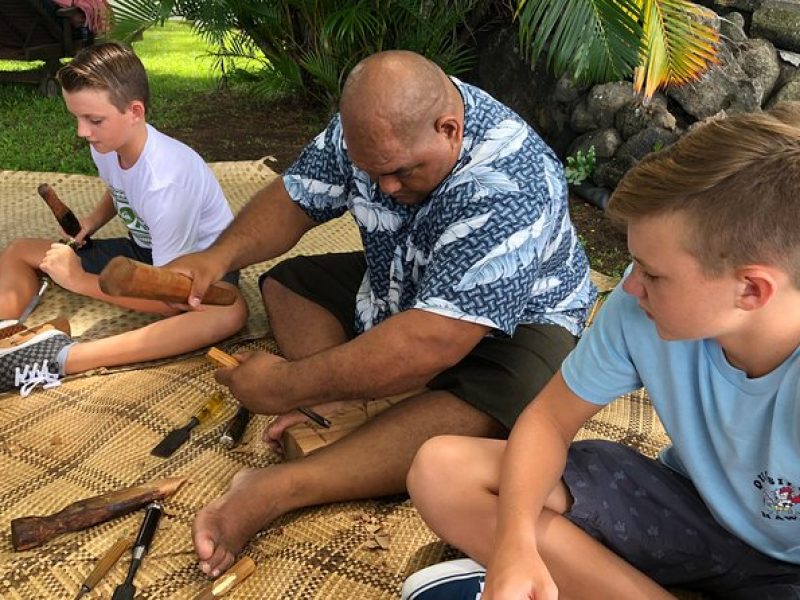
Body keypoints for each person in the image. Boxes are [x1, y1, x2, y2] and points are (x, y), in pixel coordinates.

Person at [167, 50, 597, 577]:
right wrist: (218, 256)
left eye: (400, 172)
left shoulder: (510, 180)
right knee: (289, 284)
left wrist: (287, 386)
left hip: (524, 315)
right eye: (371, 172)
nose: (386, 187)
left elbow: (432, 343)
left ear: (449, 129)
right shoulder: (375, 129)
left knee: (508, 408)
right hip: (407, 278)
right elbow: (295, 197)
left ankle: (277, 489)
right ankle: (347, 407)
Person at [402, 103, 800, 600]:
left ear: (752, 291)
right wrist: (514, 543)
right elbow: (548, 421)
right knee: (443, 471)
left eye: (653, 274)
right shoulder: (642, 311)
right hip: (687, 511)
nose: (629, 287)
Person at [0, 42, 248, 396]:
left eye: (94, 120)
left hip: (198, 268)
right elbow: (119, 188)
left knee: (229, 312)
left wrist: (79, 279)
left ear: (134, 111)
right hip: (144, 250)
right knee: (21, 250)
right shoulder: (107, 144)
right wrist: (93, 221)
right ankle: (7, 335)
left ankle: (65, 358)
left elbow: (170, 300)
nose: (82, 131)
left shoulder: (167, 183)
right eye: (77, 118)